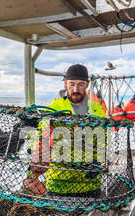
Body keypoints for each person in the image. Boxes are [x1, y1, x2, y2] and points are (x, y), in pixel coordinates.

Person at [28, 64, 106, 197]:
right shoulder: (52, 110)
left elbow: (103, 142)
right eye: (72, 84)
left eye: (80, 84)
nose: (76, 89)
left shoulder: (97, 110)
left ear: (87, 84)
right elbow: (39, 141)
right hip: (59, 183)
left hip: (90, 183)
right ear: (65, 83)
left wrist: (98, 161)